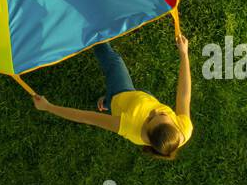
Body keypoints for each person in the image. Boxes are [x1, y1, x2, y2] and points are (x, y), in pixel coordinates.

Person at [32, 18, 193, 158]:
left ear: (146, 132)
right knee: (142, 95)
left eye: (151, 117)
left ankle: (91, 28)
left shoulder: (127, 126)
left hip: (122, 95)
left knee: (113, 61)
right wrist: (184, 54)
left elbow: (84, 117)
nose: (156, 111)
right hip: (142, 98)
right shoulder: (184, 130)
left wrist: (48, 107)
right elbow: (184, 95)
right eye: (164, 114)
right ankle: (107, 103)